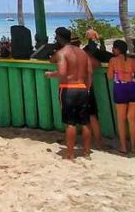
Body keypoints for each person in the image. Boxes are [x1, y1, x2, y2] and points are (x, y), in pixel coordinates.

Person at [45, 27, 93, 160]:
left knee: (70, 123)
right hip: (82, 88)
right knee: (85, 122)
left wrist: (50, 74)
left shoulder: (62, 53)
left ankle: (70, 153)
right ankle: (87, 151)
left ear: (59, 38)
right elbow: (89, 72)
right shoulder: (83, 53)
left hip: (68, 89)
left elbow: (62, 72)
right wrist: (87, 87)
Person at [108, 39, 135, 154]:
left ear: (117, 49)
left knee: (121, 120)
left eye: (113, 48)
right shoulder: (134, 61)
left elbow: (109, 76)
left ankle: (123, 147)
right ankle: (134, 147)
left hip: (120, 88)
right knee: (131, 119)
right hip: (133, 88)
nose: (112, 50)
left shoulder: (113, 60)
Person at [79, 39, 105, 150]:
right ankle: (98, 144)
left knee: (72, 118)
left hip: (72, 89)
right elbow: (98, 64)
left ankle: (68, 141)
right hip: (86, 89)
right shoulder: (87, 57)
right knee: (92, 117)